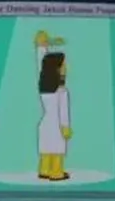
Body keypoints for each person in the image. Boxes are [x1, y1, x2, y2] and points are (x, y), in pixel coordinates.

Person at [35, 31, 72, 181]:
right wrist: (66, 127)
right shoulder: (61, 91)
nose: (66, 67)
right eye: (63, 65)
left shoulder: (44, 87)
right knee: (57, 149)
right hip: (57, 126)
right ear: (57, 69)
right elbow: (63, 112)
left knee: (46, 148)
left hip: (45, 123)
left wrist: (42, 45)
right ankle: (56, 172)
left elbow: (41, 62)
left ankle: (44, 170)